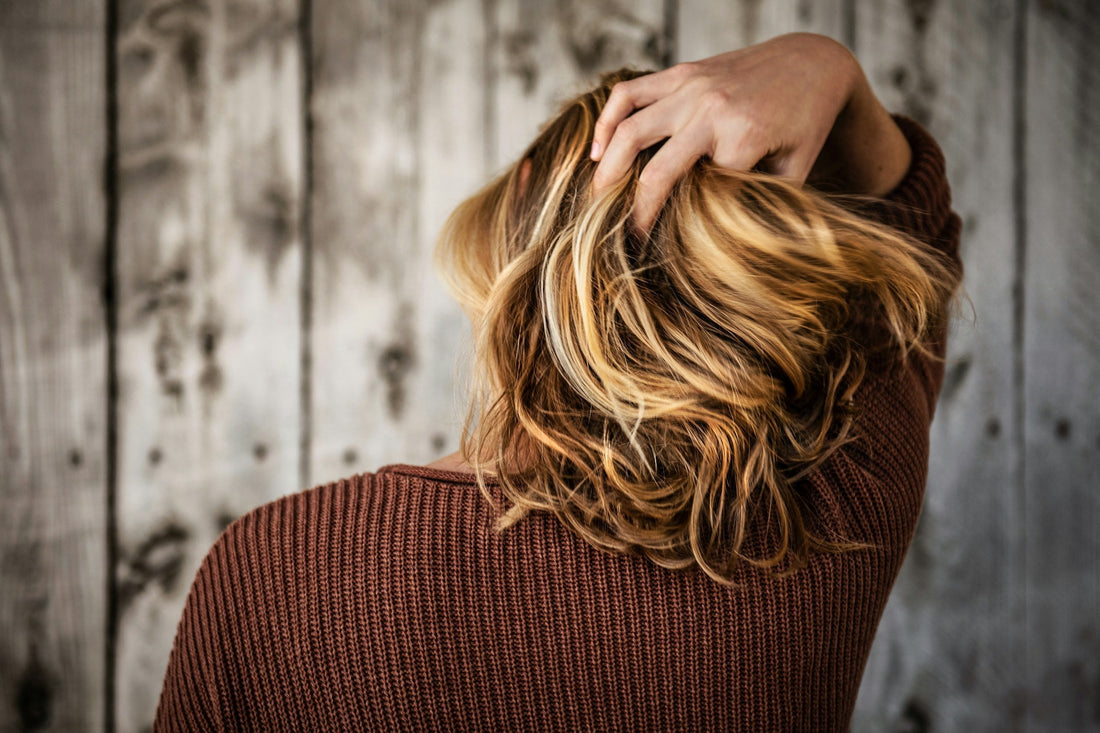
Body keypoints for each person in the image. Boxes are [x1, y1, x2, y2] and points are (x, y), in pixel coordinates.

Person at [154, 32, 963, 731]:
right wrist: (827, 70)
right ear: (751, 270)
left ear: (520, 211)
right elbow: (916, 242)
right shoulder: (834, 511)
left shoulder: (273, 576)